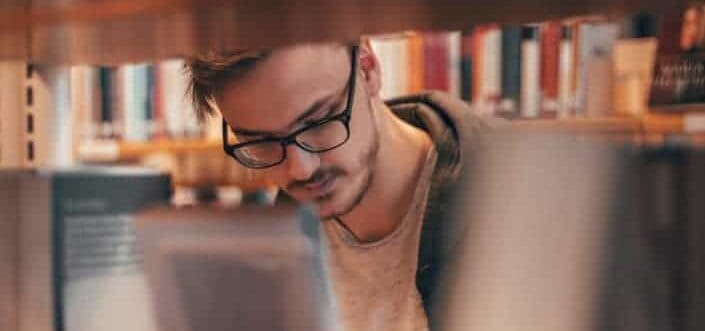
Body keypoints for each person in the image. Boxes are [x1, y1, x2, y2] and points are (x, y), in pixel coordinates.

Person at [186, 39, 497, 330]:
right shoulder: (279, 250)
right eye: (262, 143)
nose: (301, 169)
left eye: (319, 121)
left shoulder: (509, 197)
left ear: (367, 66)